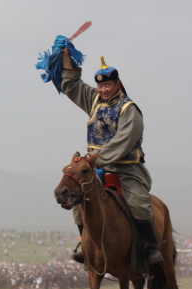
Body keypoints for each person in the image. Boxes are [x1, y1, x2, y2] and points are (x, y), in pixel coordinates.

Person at [61, 47, 163, 265]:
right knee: (78, 199)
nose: (103, 89)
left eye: (107, 85)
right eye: (100, 86)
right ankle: (87, 245)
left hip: (126, 167)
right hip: (95, 167)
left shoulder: (129, 109)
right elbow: (73, 86)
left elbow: (123, 141)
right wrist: (66, 57)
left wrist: (95, 158)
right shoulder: (95, 100)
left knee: (139, 201)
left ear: (117, 84)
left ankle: (151, 246)